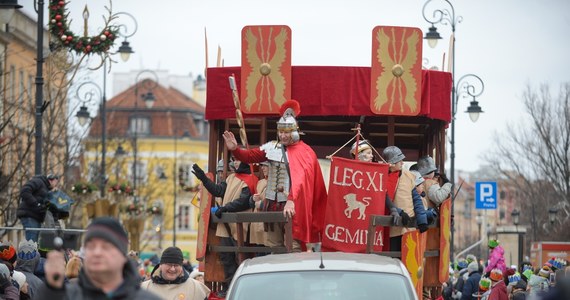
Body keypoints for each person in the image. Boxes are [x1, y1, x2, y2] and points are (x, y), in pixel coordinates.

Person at [221, 99, 328, 252]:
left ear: (295, 132)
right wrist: (235, 149)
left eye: (287, 132)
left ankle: (294, 274)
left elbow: (300, 181)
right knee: (274, 247)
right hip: (272, 205)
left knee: (294, 247)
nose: (283, 136)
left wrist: (291, 201)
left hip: (293, 207)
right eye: (281, 132)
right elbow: (250, 156)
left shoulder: (305, 152)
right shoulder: (272, 147)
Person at [38, 217, 161, 300]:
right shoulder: (67, 295)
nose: (96, 252)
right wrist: (51, 290)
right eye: (90, 246)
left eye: (105, 247)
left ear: (123, 256)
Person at [192, 157, 257, 297]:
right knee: (226, 257)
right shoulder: (231, 178)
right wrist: (204, 178)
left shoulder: (251, 180)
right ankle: (230, 287)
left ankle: (244, 289)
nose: (235, 163)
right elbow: (218, 190)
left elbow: (244, 202)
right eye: (234, 160)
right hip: (227, 225)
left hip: (241, 227)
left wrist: (225, 208)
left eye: (238, 160)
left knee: (241, 258)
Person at [383, 146, 429, 251]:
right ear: (392, 162)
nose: (402, 163)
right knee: (392, 259)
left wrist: (422, 221)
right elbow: (384, 201)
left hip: (409, 226)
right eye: (400, 161)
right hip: (391, 227)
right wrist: (399, 212)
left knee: (409, 259)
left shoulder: (408, 176)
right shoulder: (382, 176)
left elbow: (416, 200)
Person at [141, 246, 210, 300]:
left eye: (176, 265)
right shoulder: (144, 288)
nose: (173, 269)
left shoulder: (195, 288)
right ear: (161, 265)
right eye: (169, 264)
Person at [17, 174, 60, 242]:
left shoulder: (47, 190)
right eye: (56, 182)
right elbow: (25, 191)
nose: (56, 185)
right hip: (30, 215)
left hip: (36, 217)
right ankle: (30, 252)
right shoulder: (39, 181)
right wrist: (37, 205)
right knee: (32, 242)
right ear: (52, 180)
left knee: (34, 243)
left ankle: (31, 252)